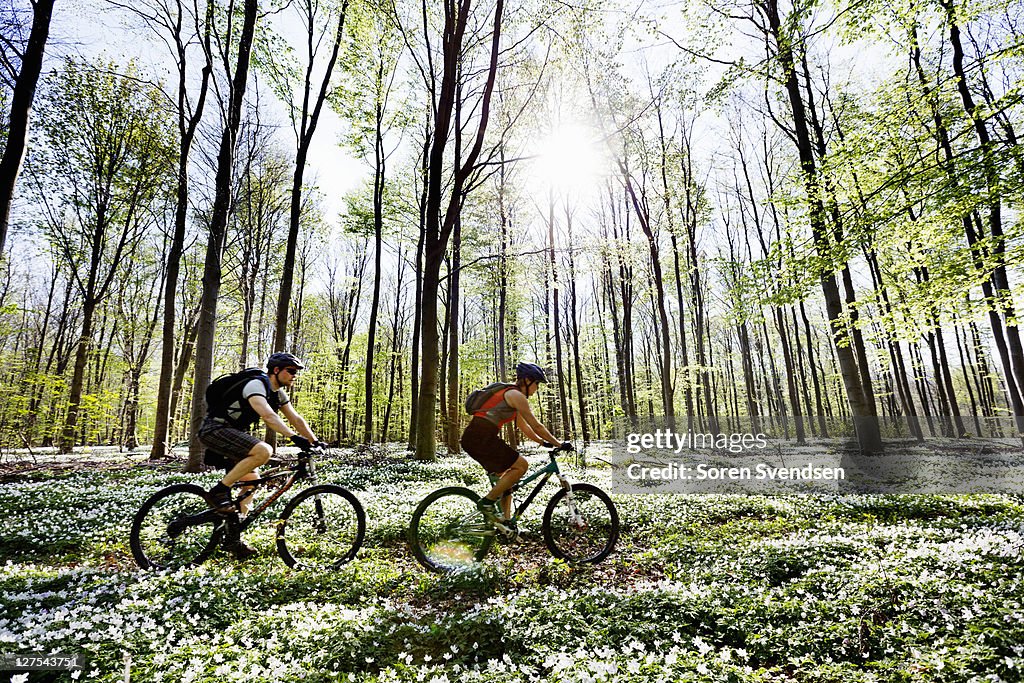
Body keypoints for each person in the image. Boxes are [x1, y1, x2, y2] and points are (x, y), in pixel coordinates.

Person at [199, 352, 320, 557]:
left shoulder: (278, 394)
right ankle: (218, 491)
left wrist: (314, 440)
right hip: (215, 430)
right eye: (290, 371)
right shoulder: (256, 385)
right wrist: (293, 438)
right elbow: (267, 415)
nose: (294, 375)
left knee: (251, 481)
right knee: (264, 451)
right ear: (276, 370)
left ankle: (232, 538)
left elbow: (296, 419)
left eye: (296, 372)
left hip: (231, 433)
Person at [460, 362, 570, 526]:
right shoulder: (516, 396)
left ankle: (505, 521)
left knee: (506, 478)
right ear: (527, 381)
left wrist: (542, 442)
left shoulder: (512, 395)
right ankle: (487, 503)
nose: (537, 388)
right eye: (537, 383)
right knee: (521, 466)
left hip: (476, 438)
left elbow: (523, 426)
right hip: (480, 438)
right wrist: (559, 444)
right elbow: (536, 425)